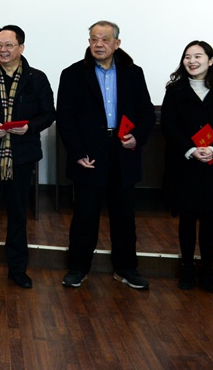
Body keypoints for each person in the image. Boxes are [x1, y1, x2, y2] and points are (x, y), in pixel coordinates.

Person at [56, 21, 155, 290]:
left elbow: (146, 113)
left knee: (124, 216)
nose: (98, 44)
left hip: (123, 151)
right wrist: (77, 153)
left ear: (117, 43)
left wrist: (137, 137)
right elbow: (65, 118)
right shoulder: (73, 74)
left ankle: (126, 268)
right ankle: (78, 268)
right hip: (89, 155)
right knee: (84, 215)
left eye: (105, 39)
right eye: (93, 39)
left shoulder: (133, 73)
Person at [0, 25, 55, 289]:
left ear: (21, 48)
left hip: (21, 156)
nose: (2, 50)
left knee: (18, 215)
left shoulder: (36, 78)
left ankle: (18, 270)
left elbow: (48, 113)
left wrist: (29, 127)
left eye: (8, 45)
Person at [161, 41, 213, 293]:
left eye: (198, 56)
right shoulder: (175, 91)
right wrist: (191, 149)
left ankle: (207, 270)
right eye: (187, 56)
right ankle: (187, 268)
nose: (192, 61)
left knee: (209, 219)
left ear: (211, 60)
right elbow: (169, 126)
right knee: (187, 218)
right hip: (185, 164)